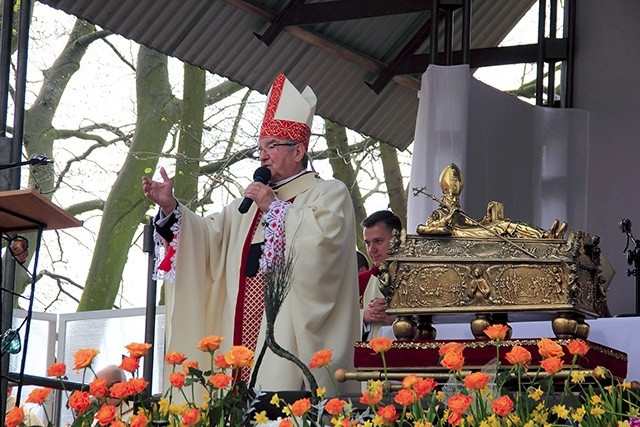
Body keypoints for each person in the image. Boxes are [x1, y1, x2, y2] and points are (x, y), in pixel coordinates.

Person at [142, 73, 360, 394]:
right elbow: (207, 239)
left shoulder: (328, 194)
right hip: (240, 336)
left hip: (288, 338)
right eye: (260, 148)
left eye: (272, 146)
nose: (263, 155)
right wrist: (172, 208)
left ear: (299, 151)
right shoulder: (245, 206)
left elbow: (324, 249)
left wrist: (275, 208)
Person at [359, 210, 402, 341]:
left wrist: (398, 319)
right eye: (367, 243)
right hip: (369, 357)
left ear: (397, 239)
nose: (372, 250)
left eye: (378, 241)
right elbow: (339, 325)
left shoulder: (419, 277)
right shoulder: (360, 281)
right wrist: (364, 316)